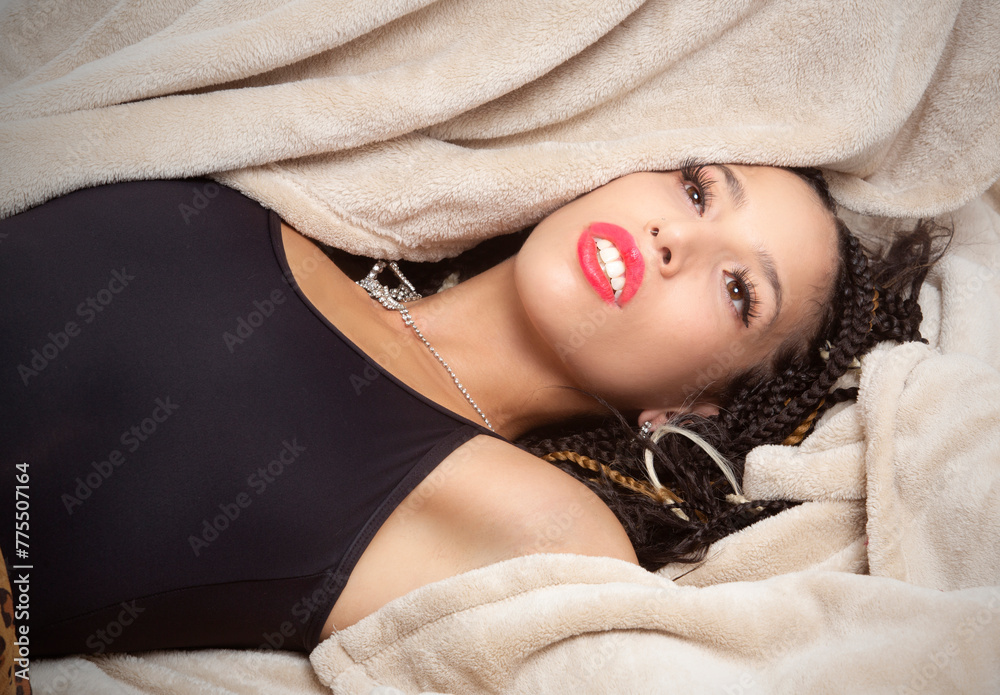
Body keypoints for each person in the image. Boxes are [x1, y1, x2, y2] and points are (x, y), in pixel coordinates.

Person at [0, 163, 942, 656]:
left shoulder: (537, 524)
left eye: (739, 290)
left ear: (689, 408)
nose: (676, 238)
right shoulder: (290, 200)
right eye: (698, 190)